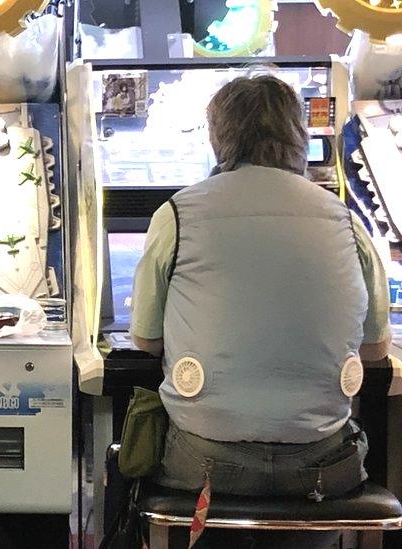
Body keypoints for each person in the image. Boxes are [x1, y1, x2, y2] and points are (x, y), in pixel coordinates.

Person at [131, 75, 390, 505]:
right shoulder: (345, 220)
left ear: (217, 136)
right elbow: (375, 350)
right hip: (321, 468)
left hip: (204, 465)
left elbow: (145, 340)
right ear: (298, 136)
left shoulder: (176, 213)